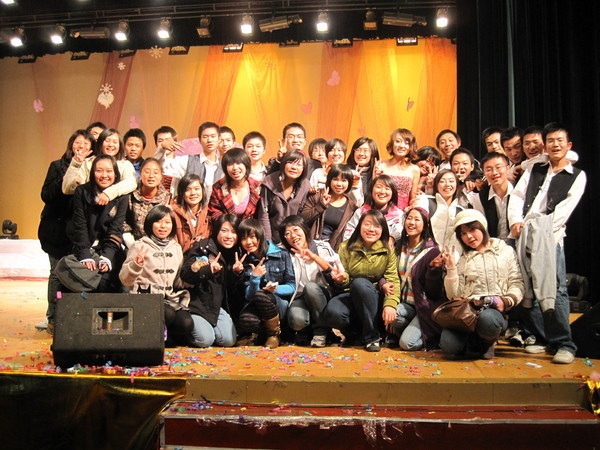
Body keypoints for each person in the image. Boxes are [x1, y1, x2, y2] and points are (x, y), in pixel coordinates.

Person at [507, 122, 586, 364]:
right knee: (526, 287)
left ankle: (564, 343)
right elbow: (517, 195)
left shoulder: (576, 175)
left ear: (568, 145)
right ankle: (543, 338)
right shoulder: (535, 168)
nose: (555, 145)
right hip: (523, 232)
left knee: (554, 288)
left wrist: (542, 230)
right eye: (550, 141)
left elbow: (565, 210)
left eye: (559, 140)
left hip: (550, 236)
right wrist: (515, 220)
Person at [440, 209, 524, 359]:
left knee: (488, 320)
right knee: (448, 345)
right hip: (468, 313)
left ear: (482, 227)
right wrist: (451, 269)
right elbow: (453, 295)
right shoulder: (463, 259)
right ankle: (474, 342)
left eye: (472, 229)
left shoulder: (505, 251)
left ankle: (485, 342)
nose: (469, 236)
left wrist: (505, 301)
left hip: (494, 311)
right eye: (463, 233)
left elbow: (516, 282)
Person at [37, 129, 93, 333]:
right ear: (71, 144)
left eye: (86, 144)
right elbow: (46, 195)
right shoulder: (57, 166)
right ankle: (53, 317)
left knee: (78, 275)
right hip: (56, 231)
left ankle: (73, 316)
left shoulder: (93, 169)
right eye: (78, 143)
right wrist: (67, 180)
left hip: (80, 232)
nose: (82, 147)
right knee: (57, 273)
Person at [323, 209, 400, 352]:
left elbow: (393, 279)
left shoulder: (387, 249)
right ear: (359, 226)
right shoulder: (346, 247)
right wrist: (342, 278)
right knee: (333, 313)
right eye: (367, 224)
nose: (371, 229)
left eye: (377, 226)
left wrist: (390, 304)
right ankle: (354, 334)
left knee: (360, 284)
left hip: (374, 297)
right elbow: (344, 276)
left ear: (383, 229)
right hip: (350, 294)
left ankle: (372, 336)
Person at [119, 205, 193, 346]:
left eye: (167, 222)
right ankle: (150, 337)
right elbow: (124, 279)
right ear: (150, 223)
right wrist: (136, 265)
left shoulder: (176, 248)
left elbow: (177, 280)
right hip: (145, 297)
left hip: (168, 298)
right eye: (158, 222)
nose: (163, 226)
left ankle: (164, 338)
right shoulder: (139, 245)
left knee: (186, 323)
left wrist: (195, 274)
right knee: (168, 314)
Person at [66, 155, 128, 293]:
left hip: (109, 249)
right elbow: (79, 225)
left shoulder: (122, 196)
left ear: (115, 174)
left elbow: (116, 229)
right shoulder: (82, 192)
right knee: (77, 281)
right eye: (99, 171)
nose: (104, 175)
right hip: (84, 246)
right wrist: (85, 255)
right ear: (93, 173)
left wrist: (107, 257)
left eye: (109, 171)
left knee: (108, 282)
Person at [279, 216, 341, 347]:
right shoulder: (284, 253)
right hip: (299, 297)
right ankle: (306, 331)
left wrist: (315, 258)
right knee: (297, 320)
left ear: (304, 229)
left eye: (296, 230)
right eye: (287, 233)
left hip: (322, 294)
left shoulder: (322, 246)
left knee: (311, 288)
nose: (293, 235)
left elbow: (337, 272)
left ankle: (321, 331)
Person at [388, 207, 444, 350]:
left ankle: (432, 337)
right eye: (409, 218)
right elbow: (388, 272)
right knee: (391, 313)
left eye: (417, 219)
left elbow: (434, 291)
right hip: (405, 304)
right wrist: (383, 283)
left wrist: (433, 270)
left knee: (407, 344)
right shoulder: (399, 247)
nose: (412, 222)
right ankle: (407, 331)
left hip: (424, 306)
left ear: (425, 225)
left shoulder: (432, 251)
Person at [180, 214, 239, 348]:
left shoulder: (237, 252)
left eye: (234, 232)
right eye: (224, 231)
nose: (229, 236)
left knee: (228, 340)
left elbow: (233, 289)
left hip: (216, 307)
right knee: (205, 340)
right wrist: (207, 270)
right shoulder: (203, 246)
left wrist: (237, 273)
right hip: (197, 305)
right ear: (217, 231)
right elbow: (186, 273)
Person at [235, 219, 296, 348]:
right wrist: (255, 278)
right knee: (246, 319)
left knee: (262, 294)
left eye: (252, 237)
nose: (248, 242)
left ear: (260, 235)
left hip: (279, 304)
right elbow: (249, 297)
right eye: (244, 238)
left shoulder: (282, 254)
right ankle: (265, 335)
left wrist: (274, 289)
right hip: (258, 304)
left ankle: (274, 335)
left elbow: (292, 286)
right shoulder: (246, 261)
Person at [62, 128, 137, 203]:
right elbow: (67, 190)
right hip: (89, 205)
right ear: (100, 143)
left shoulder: (125, 165)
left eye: (115, 142)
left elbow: (131, 182)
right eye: (107, 141)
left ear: (120, 145)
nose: (111, 145)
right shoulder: (88, 163)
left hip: (116, 207)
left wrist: (108, 194)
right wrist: (75, 164)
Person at [257, 149, 311, 244]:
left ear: (304, 168)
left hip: (292, 239)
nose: (294, 167)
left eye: (299, 164)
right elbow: (263, 215)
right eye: (290, 162)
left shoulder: (305, 185)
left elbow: (300, 215)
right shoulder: (270, 181)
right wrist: (268, 243)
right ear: (283, 164)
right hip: (271, 236)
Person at [300, 164, 358, 252]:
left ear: (349, 183)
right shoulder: (317, 195)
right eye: (335, 179)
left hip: (332, 251)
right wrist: (321, 206)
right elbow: (303, 219)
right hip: (309, 246)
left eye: (344, 180)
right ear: (329, 180)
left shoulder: (351, 207)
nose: (339, 184)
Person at [123, 158, 171, 247]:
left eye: (155, 173)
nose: (151, 176)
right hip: (133, 243)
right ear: (140, 174)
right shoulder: (131, 195)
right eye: (147, 172)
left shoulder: (168, 199)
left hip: (159, 245)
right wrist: (131, 242)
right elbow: (123, 220)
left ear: (161, 176)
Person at [415, 169, 463, 255]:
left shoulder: (461, 211)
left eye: (451, 181)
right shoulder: (425, 201)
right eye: (442, 181)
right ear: (436, 185)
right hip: (423, 254)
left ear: (457, 185)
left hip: (449, 258)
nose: (447, 184)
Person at [344, 175, 404, 242]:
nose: (382, 191)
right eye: (379, 187)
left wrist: (393, 238)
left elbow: (401, 233)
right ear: (371, 190)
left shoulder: (399, 215)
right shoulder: (360, 213)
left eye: (387, 188)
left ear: (393, 192)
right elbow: (348, 234)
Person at [208, 148, 262, 223]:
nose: (235, 168)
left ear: (246, 165)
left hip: (250, 229)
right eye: (230, 164)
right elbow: (214, 213)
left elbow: (262, 215)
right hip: (226, 228)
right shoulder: (218, 188)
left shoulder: (257, 187)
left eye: (239, 163)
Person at [374, 128, 420, 209]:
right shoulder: (381, 165)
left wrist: (417, 202)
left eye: (406, 143)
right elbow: (373, 193)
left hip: (403, 212)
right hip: (381, 211)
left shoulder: (415, 169)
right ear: (392, 144)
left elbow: (412, 198)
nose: (401, 145)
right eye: (398, 141)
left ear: (410, 147)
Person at [472, 152, 513, 241]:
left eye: (498, 167)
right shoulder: (479, 198)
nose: (494, 172)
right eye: (489, 169)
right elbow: (482, 228)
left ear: (508, 169)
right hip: (492, 245)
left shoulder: (519, 192)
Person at [170, 174, 211, 254]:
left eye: (196, 189)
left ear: (202, 191)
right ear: (182, 193)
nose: (193, 193)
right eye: (187, 190)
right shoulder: (173, 214)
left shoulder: (209, 213)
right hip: (179, 257)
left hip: (202, 257)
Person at [187, 121, 224, 203]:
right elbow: (164, 166)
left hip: (215, 209)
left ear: (219, 139)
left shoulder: (224, 167)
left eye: (213, 136)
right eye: (205, 137)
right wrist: (162, 149)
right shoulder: (188, 161)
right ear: (199, 140)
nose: (209, 140)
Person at [153, 125, 187, 196]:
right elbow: (158, 160)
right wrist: (162, 146)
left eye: (168, 140)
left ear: (175, 142)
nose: (166, 144)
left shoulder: (182, 162)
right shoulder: (153, 162)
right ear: (156, 144)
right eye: (160, 141)